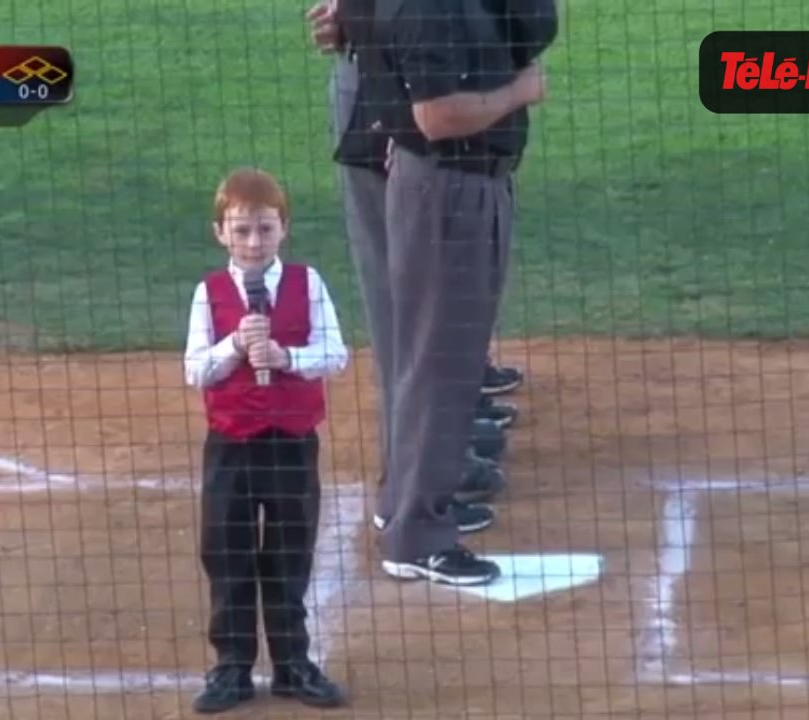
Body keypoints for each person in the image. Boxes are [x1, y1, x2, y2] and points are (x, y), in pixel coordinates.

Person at [322, 0, 554, 585]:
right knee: (438, 365)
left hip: (450, 180)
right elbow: (438, 117)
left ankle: (404, 504)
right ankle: (416, 535)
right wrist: (519, 91)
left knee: (434, 359)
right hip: (447, 186)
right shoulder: (431, 8)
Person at [183, 168, 349, 712]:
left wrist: (286, 359)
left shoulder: (309, 283)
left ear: (284, 230)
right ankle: (231, 666)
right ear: (220, 234)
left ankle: (292, 664)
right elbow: (196, 371)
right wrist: (235, 345)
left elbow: (336, 354)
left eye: (265, 229)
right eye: (242, 231)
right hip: (231, 445)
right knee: (228, 555)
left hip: (291, 444)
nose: (254, 242)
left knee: (289, 553)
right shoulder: (209, 293)